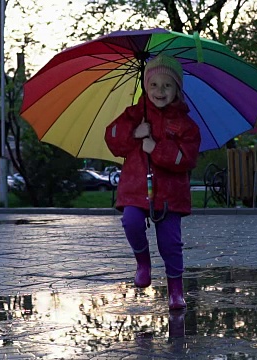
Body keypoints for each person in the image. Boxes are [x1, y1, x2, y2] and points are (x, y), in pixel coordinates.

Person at [104, 54, 201, 310]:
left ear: (177, 89)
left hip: (170, 195)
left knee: (170, 243)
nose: (160, 91)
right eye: (154, 85)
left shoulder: (186, 125)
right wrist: (134, 133)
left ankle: (175, 289)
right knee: (131, 222)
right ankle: (143, 263)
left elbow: (186, 158)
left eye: (167, 85)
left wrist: (156, 148)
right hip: (136, 188)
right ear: (146, 87)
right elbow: (113, 140)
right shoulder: (135, 115)